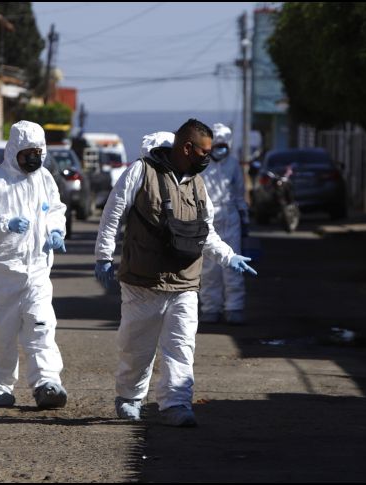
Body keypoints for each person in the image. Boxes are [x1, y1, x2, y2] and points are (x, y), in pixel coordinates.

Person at [94, 119, 257, 428]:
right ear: (186, 148)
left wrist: (228, 256)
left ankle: (176, 403)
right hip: (144, 281)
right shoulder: (141, 172)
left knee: (181, 347)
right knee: (136, 346)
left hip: (184, 282)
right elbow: (113, 213)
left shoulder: (197, 182)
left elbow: (205, 230)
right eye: (203, 151)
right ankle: (129, 397)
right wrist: (104, 257)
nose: (208, 157)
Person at [0, 120, 69, 409]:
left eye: (38, 151)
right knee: (0, 334)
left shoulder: (45, 179)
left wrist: (55, 231)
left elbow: (55, 210)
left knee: (41, 325)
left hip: (36, 270)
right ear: (14, 151)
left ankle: (47, 383)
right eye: (28, 152)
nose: (33, 158)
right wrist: (4, 224)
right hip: (1, 274)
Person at [199, 123, 251, 325]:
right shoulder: (202, 164)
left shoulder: (233, 165)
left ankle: (234, 307)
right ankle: (211, 308)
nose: (220, 148)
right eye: (216, 144)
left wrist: (244, 218)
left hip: (230, 217)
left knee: (233, 263)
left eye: (223, 145)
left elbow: (239, 194)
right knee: (209, 267)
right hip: (208, 216)